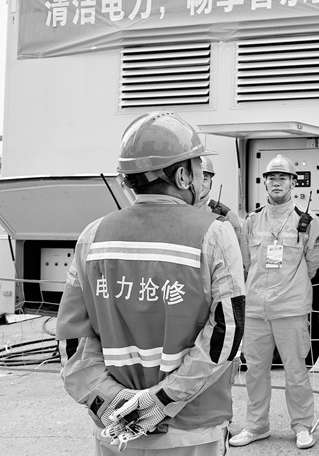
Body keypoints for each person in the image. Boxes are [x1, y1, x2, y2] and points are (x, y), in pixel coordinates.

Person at [55, 110, 246, 455]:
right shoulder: (215, 234)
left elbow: (73, 341)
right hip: (192, 431)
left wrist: (112, 399)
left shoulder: (92, 237)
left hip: (116, 432)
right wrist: (162, 399)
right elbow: (226, 334)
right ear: (183, 176)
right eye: (198, 166)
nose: (201, 177)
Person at [230, 155, 319, 450]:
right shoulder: (252, 220)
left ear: (293, 183)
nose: (277, 182)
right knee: (256, 371)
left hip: (290, 308)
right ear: (265, 183)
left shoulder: (306, 222)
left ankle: (302, 426)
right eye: (272, 178)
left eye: (283, 177)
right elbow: (246, 263)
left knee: (296, 370)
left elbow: (313, 264)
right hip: (256, 309)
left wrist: (290, 287)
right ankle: (257, 426)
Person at [198, 155, 241, 240]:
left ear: (211, 183)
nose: (200, 183)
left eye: (204, 179)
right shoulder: (182, 210)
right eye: (196, 178)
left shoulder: (227, 215)